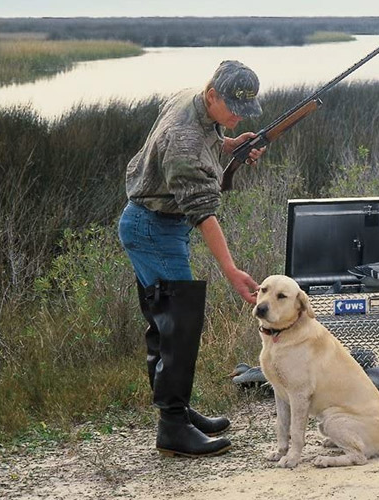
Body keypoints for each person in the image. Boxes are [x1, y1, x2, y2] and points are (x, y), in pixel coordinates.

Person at [118, 60, 265, 458]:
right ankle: (172, 428)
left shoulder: (191, 100)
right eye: (232, 108)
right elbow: (204, 213)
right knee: (180, 325)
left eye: (244, 111)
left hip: (154, 224)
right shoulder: (183, 141)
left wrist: (230, 145)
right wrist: (232, 271)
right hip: (153, 230)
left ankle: (177, 412)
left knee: (165, 324)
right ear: (212, 93)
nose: (237, 116)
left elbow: (208, 136)